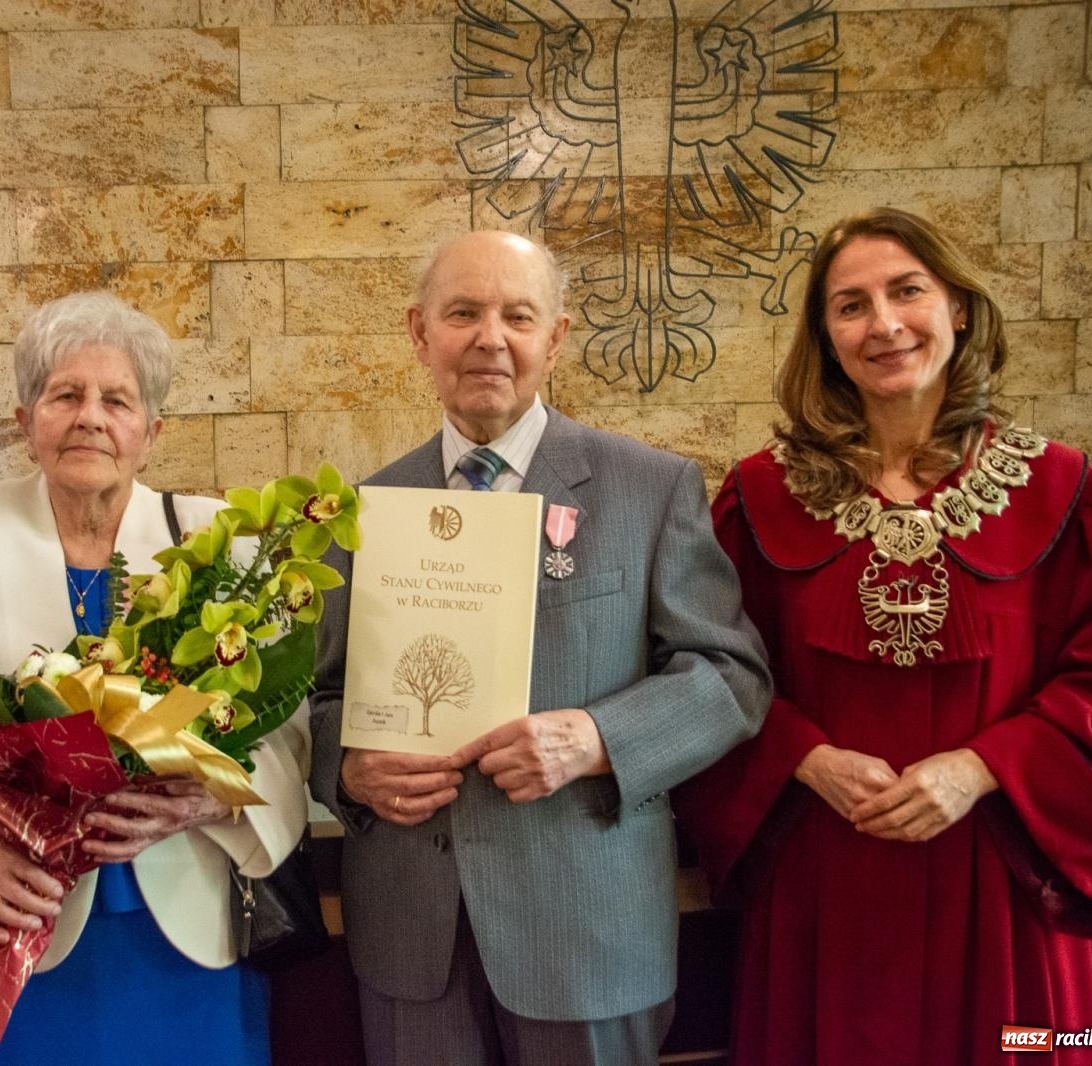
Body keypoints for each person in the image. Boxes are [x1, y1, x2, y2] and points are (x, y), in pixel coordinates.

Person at [674, 207, 1092, 1064]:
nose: (885, 324)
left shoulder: (1067, 493)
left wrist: (979, 769)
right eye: (851, 305)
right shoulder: (756, 500)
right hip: (822, 872)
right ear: (825, 336)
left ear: (960, 308)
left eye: (908, 292)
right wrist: (804, 757)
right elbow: (709, 671)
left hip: (1008, 874)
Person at [307, 230, 772, 1065]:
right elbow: (318, 699)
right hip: (415, 938)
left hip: (586, 930)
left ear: (554, 339)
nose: (490, 337)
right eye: (463, 313)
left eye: (518, 315)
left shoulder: (650, 488)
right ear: (421, 334)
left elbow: (731, 678)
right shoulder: (362, 510)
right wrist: (344, 766)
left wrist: (597, 740)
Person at [0, 291, 310, 1065]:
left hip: (185, 928)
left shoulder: (219, 543)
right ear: (25, 420)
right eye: (65, 395)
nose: (90, 417)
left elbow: (286, 737)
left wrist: (210, 798)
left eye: (117, 399)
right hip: (12, 919)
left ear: (151, 433)